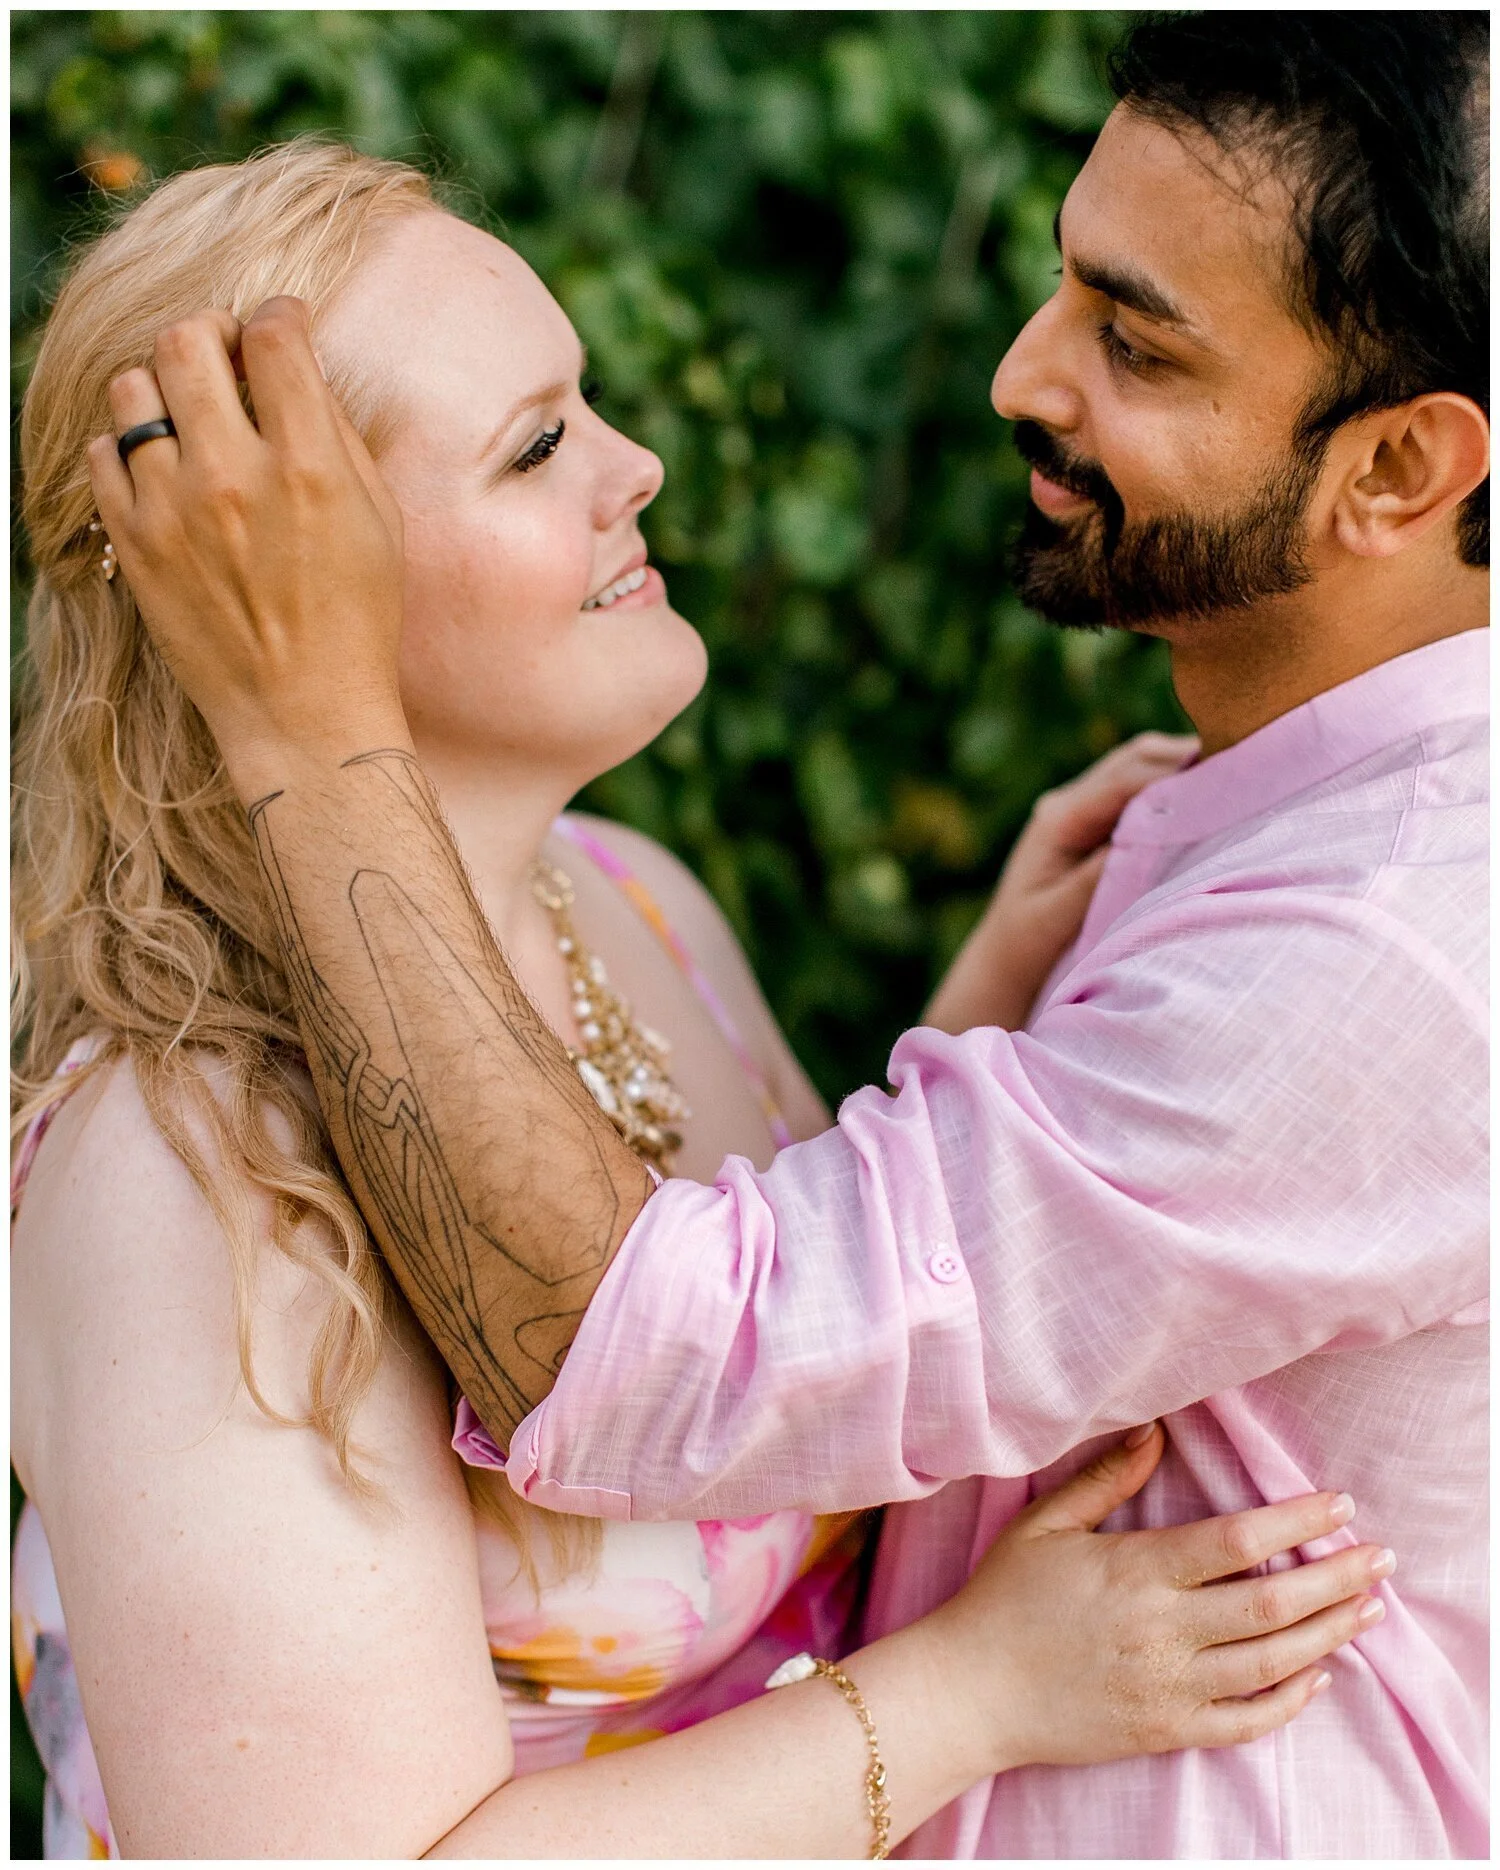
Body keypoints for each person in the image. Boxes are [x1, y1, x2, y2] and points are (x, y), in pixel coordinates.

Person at [96, 13, 1489, 1859]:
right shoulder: (171, 1147)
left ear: (1397, 472)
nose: (1018, 374)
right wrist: (1018, 1009)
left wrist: (302, 726)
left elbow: (680, 1346)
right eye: (535, 446)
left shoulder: (1379, 938)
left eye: (1136, 338)